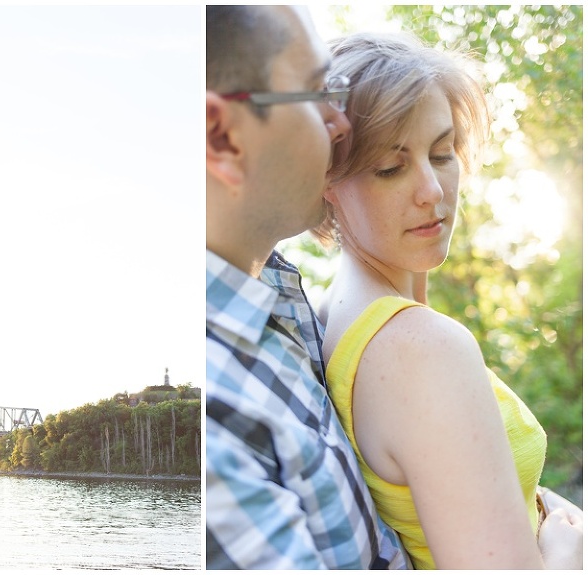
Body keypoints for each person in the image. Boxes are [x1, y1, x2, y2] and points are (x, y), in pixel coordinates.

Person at [314, 31, 583, 569]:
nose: (433, 190)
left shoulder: (335, 311)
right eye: (390, 168)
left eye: (442, 153)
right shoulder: (421, 349)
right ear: (326, 180)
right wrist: (567, 556)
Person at [206, 5, 410, 569]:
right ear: (221, 136)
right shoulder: (215, 427)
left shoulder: (275, 297)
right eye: (316, 92)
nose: (342, 124)